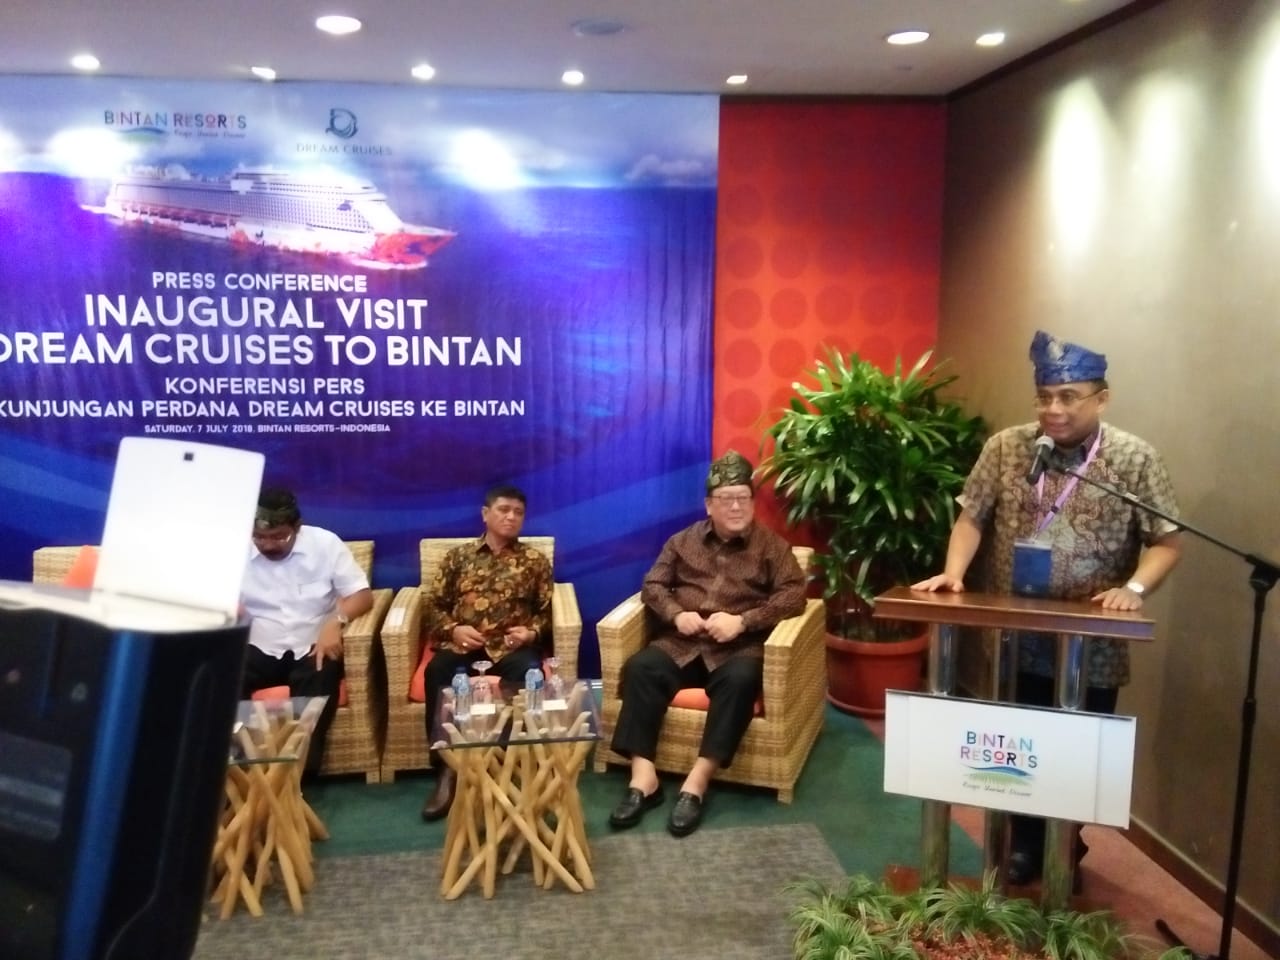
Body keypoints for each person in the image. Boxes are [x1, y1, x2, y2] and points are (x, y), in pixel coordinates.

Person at [912, 329, 1182, 886]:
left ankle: (1065, 845)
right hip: (1014, 635)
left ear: (1101, 398)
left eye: (1068, 397)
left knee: (1076, 755)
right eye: (1044, 397)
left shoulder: (1134, 459)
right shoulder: (1007, 447)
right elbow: (972, 516)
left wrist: (1134, 589)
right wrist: (955, 571)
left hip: (1091, 643)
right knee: (1016, 748)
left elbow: (1166, 541)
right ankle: (1028, 846)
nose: (1053, 409)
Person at [607, 451, 806, 837]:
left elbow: (794, 595)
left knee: (741, 680)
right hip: (682, 642)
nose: (736, 506)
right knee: (641, 667)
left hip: (738, 648)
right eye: (726, 498)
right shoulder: (682, 541)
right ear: (709, 505)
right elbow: (653, 585)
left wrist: (744, 621)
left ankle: (696, 783)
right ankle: (643, 777)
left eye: (743, 497)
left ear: (752, 502)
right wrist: (676, 614)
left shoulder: (772, 547)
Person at [419, 484, 553, 821]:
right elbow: (433, 606)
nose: (511, 517)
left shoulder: (534, 561)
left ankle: (508, 766)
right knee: (438, 672)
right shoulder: (458, 557)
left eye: (518, 512)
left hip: (511, 649)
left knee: (529, 675)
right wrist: (454, 629)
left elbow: (547, 611)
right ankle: (447, 768)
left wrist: (531, 632)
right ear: (485, 514)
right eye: (503, 510)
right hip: (464, 646)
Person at [239, 488, 374, 778]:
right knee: (223, 678)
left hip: (314, 644)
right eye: (259, 537)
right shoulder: (232, 549)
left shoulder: (324, 544)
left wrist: (336, 621)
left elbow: (362, 596)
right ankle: (239, 773)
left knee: (320, 674)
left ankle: (296, 778)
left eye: (279, 537)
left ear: (297, 528)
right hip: (259, 644)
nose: (268, 544)